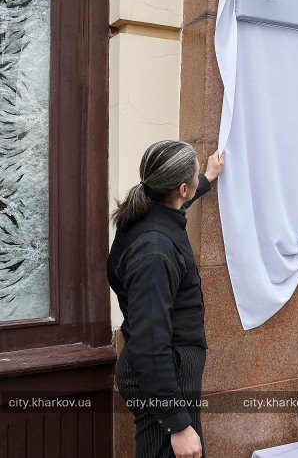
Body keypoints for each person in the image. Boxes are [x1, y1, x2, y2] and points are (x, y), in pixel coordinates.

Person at [108, 141, 224, 458]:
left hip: (163, 375)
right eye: (197, 174)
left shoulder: (148, 210)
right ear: (182, 188)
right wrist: (178, 425)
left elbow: (177, 201)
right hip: (163, 375)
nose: (201, 176)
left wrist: (209, 178)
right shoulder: (154, 252)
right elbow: (150, 342)